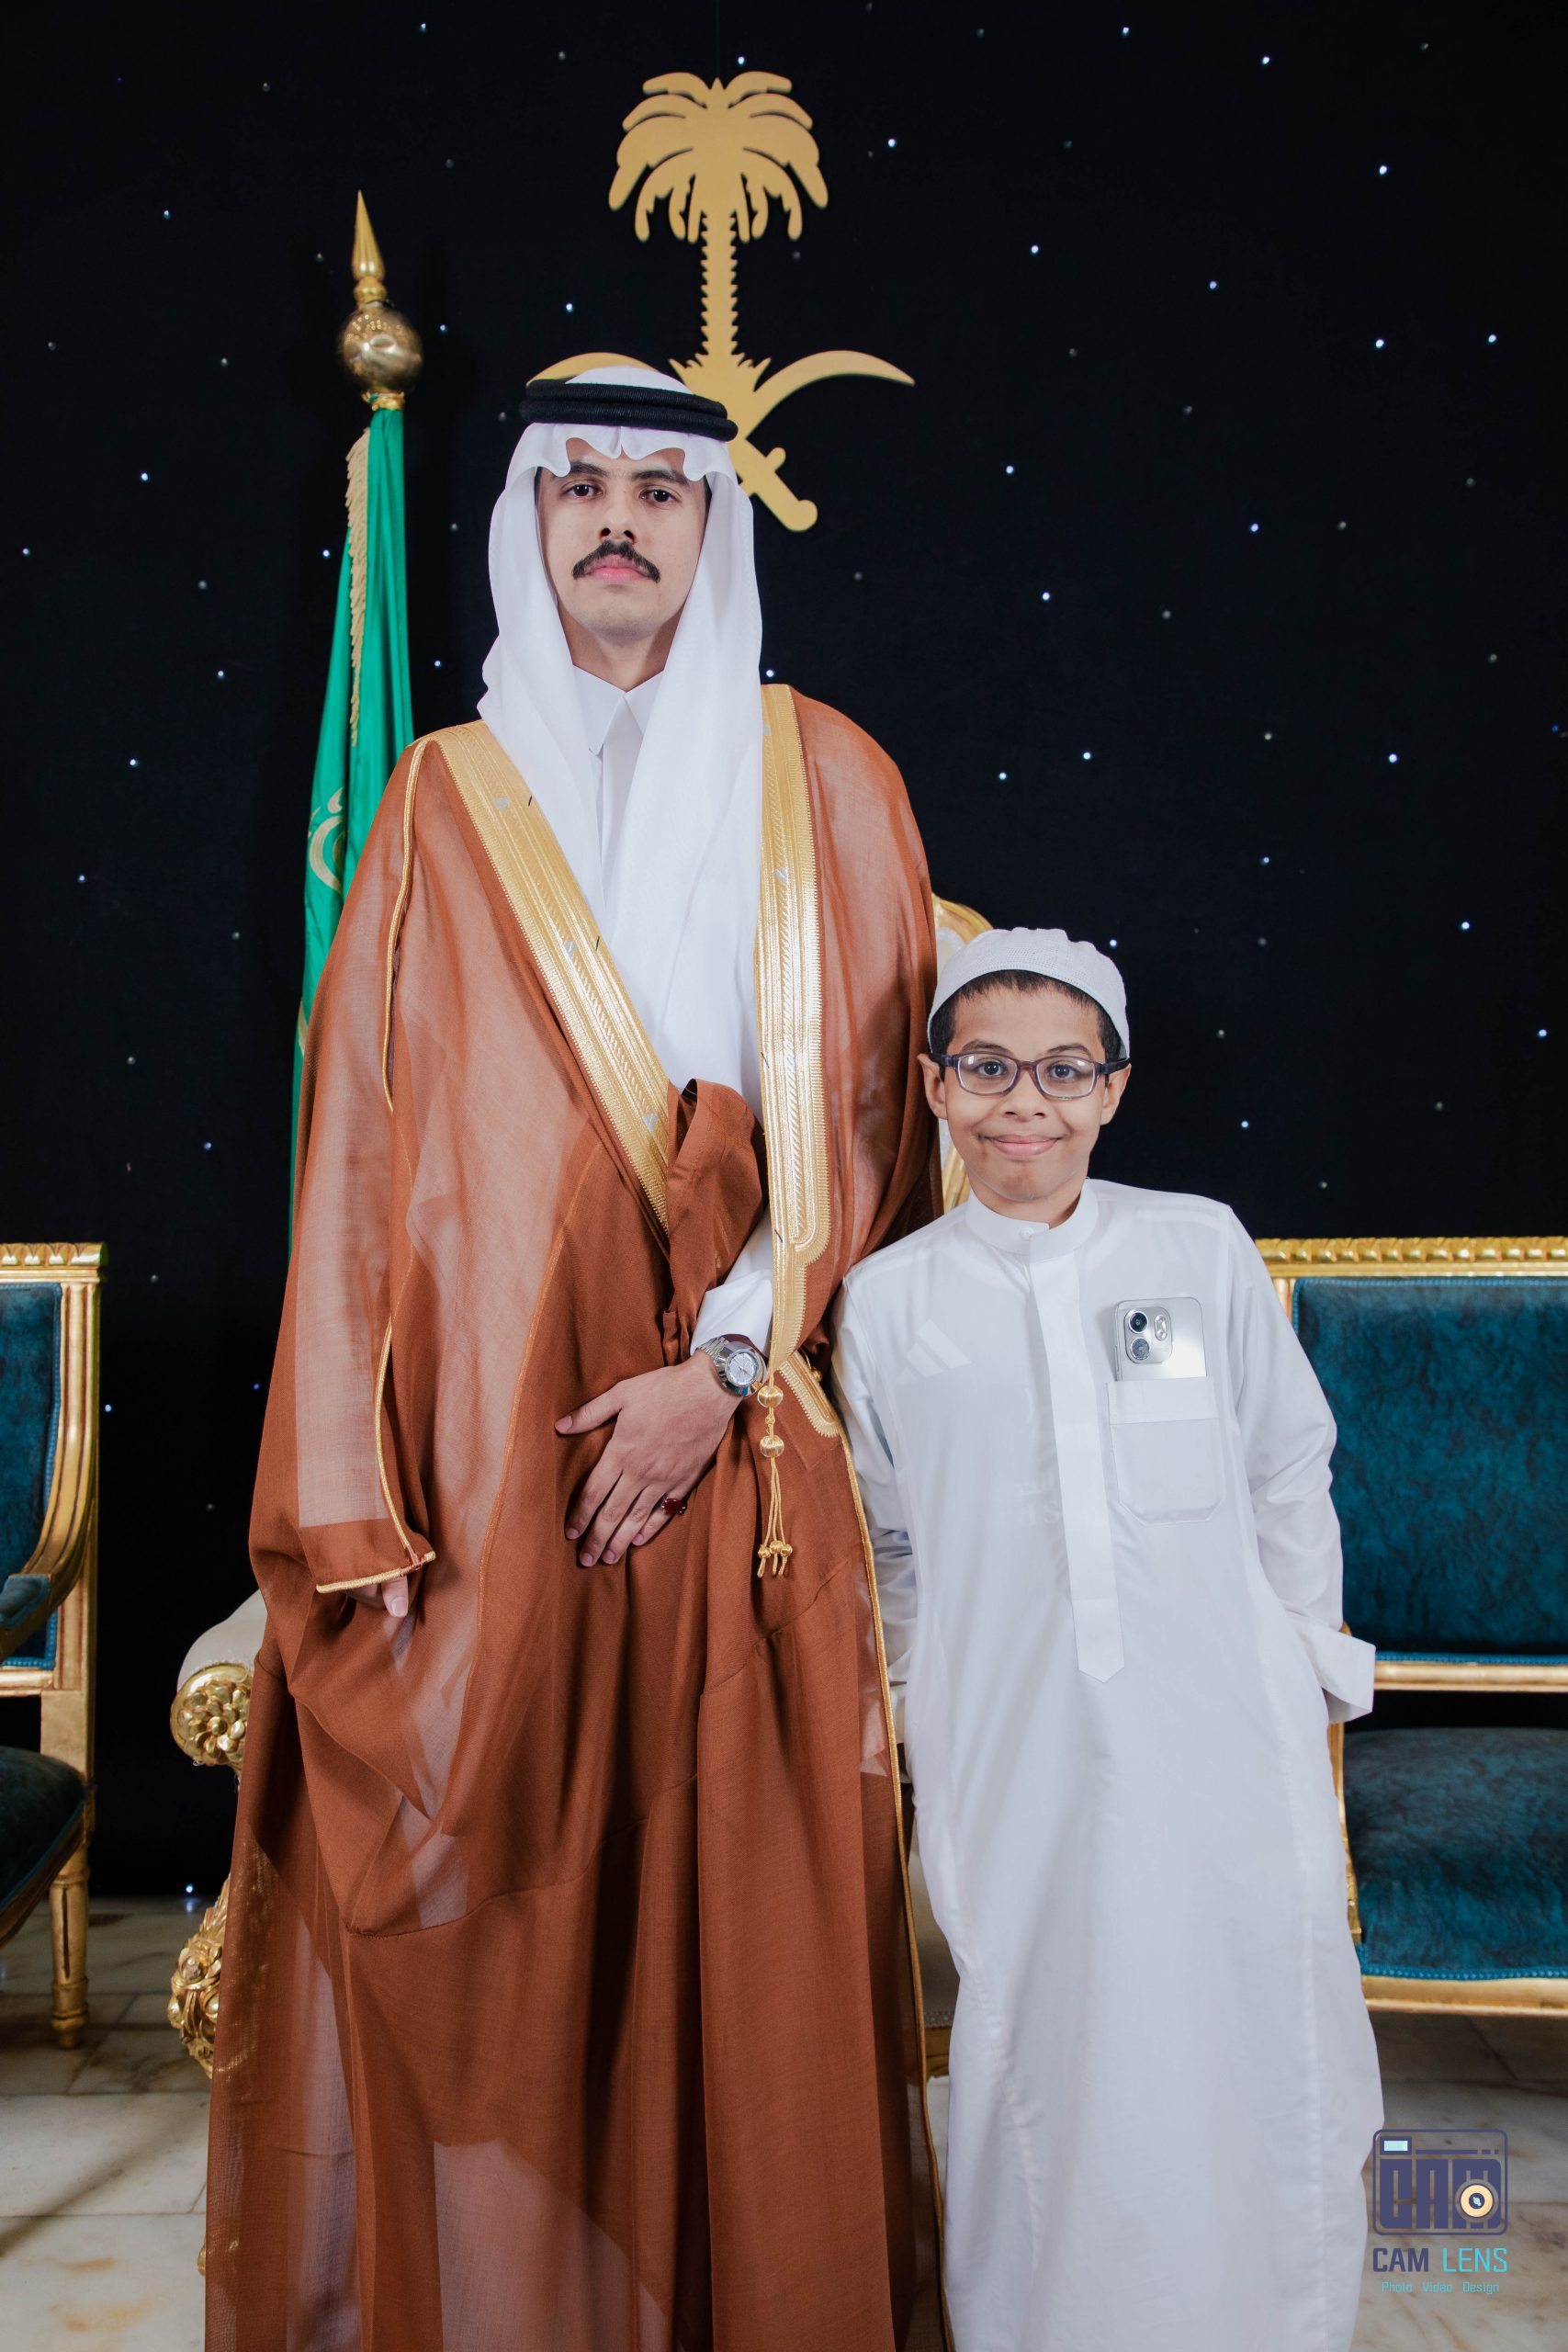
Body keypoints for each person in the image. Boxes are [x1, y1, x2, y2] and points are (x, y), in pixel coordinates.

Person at [206, 368, 947, 2351]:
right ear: (529, 518)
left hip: (737, 1443)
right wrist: (361, 1492)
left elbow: (869, 1127)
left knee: (739, 1925)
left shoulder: (832, 777)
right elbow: (362, 1164)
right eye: (580, 487)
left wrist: (720, 1368)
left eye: (659, 491)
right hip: (492, 1456)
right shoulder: (440, 795)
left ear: (713, 526)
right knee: (511, 1938)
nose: (617, 521)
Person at [831, 926, 1384, 2352]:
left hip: (1225, 1715)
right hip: (1009, 1732)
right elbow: (890, 1544)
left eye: (1064, 1070)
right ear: (937, 1086)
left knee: (1251, 2016)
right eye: (989, 1068)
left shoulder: (1195, 1244)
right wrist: (907, 1705)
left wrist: (1300, 1657)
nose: (1026, 1102)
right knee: (1050, 2030)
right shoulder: (889, 1302)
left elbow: (1286, 1461)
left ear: (1114, 1088)